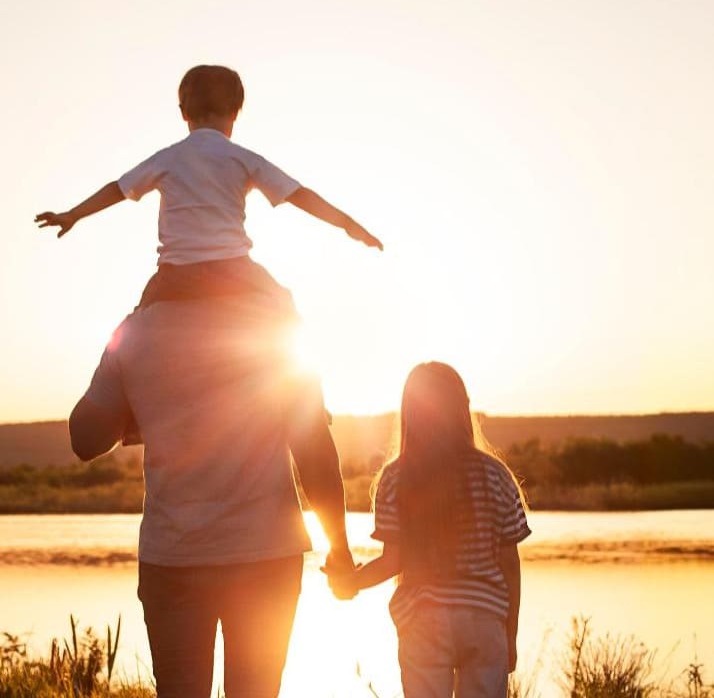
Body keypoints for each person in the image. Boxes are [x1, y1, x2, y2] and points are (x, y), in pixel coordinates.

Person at [67, 291, 354, 698]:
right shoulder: (273, 324)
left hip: (174, 558)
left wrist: (145, 393)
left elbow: (85, 438)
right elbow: (314, 451)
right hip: (266, 556)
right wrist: (339, 547)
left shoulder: (138, 332)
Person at [34, 63, 382, 310]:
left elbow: (118, 189)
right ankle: (310, 406)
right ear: (236, 111)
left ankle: (115, 407)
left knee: (130, 332)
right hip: (233, 270)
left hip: (174, 275)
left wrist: (73, 214)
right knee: (284, 308)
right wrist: (349, 224)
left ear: (183, 111)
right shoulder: (244, 158)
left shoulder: (167, 158)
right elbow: (299, 195)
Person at [327, 362, 531, 698]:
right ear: (462, 408)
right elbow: (510, 564)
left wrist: (351, 582)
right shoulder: (496, 475)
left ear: (409, 412)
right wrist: (510, 635)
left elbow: (393, 562)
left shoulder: (397, 478)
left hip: (424, 619)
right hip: (484, 618)